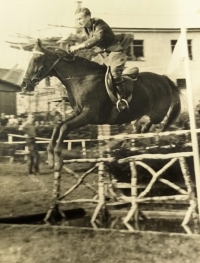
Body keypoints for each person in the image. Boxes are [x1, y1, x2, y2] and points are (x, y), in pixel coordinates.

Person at [60, 7, 134, 112]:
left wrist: (77, 47)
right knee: (89, 72)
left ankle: (122, 99)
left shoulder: (100, 24)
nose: (78, 22)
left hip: (115, 52)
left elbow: (96, 39)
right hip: (102, 55)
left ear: (89, 17)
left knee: (114, 73)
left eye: (80, 19)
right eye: (77, 20)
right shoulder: (86, 29)